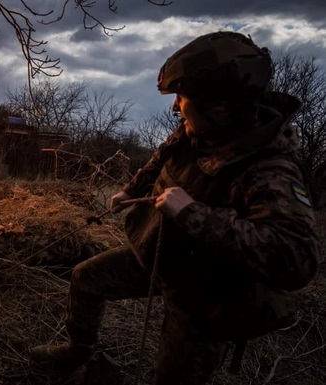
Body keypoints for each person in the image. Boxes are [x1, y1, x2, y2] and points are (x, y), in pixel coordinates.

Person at [30, 31, 319, 384]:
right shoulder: (197, 130)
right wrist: (130, 190)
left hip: (205, 296)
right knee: (86, 277)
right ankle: (77, 350)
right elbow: (160, 160)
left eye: (182, 97)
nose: (175, 107)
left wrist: (192, 213)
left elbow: (296, 260)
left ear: (219, 106)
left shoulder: (271, 170)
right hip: (160, 256)